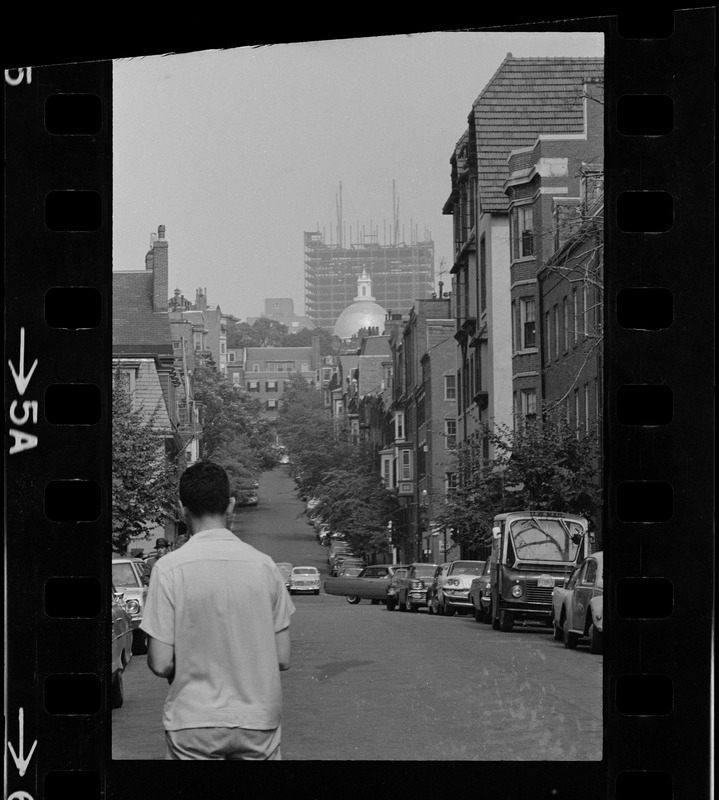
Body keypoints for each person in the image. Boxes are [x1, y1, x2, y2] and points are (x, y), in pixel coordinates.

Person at [140, 460, 295, 760]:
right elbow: (283, 657)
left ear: (182, 509)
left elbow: (160, 663)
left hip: (193, 720)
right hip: (257, 720)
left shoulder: (169, 569)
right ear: (231, 506)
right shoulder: (265, 567)